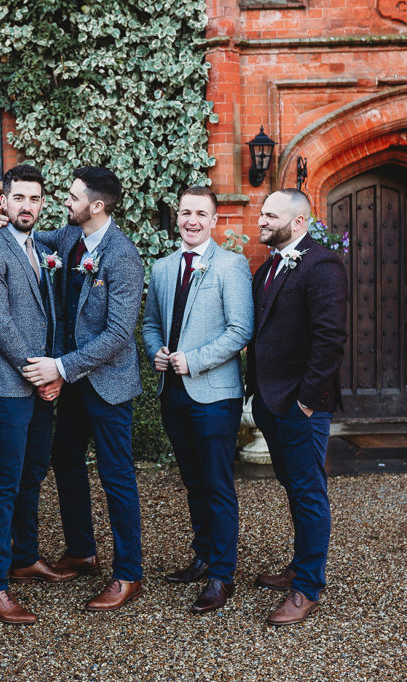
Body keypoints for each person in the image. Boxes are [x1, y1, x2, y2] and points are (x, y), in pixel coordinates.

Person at [16, 166, 145, 611]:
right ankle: (82, 549)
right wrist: (7, 225)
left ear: (96, 206)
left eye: (72, 197)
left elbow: (118, 334)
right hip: (73, 383)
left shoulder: (124, 257)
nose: (63, 203)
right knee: (65, 458)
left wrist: (60, 367)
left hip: (107, 384)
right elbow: (38, 239)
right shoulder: (70, 239)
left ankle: (128, 573)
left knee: (117, 476)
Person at [0, 164, 79, 626]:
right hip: (9, 384)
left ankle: (25, 555)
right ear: (4, 202)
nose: (27, 206)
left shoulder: (42, 247)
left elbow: (50, 317)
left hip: (42, 384)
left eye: (35, 199)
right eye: (19, 198)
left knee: (34, 471)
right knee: (5, 480)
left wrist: (57, 371)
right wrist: (40, 374)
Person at [142, 186, 253, 614]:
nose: (192, 220)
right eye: (186, 212)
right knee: (193, 482)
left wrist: (194, 361)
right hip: (173, 392)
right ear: (178, 217)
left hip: (213, 394)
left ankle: (223, 576)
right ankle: (204, 555)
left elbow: (240, 330)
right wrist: (157, 350)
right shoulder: (165, 267)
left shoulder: (231, 265)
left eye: (200, 214)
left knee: (217, 485)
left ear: (214, 220)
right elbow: (152, 322)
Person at [247, 187, 348, 626]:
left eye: (271, 215)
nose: (262, 221)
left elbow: (330, 339)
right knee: (293, 486)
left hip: (303, 404)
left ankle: (308, 586)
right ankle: (298, 564)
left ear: (299, 222)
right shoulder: (268, 267)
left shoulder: (322, 264)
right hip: (270, 401)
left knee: (308, 491)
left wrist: (306, 402)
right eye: (262, 214)